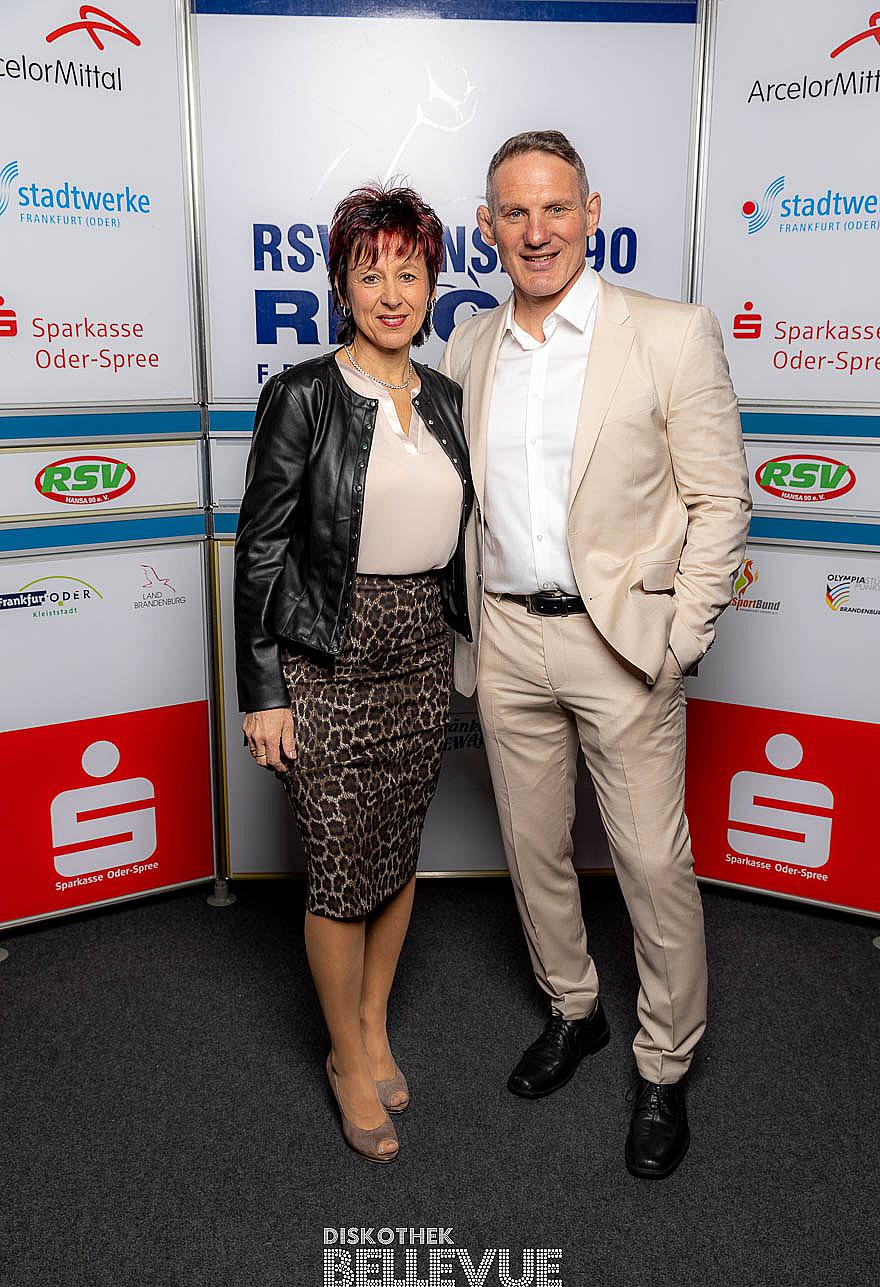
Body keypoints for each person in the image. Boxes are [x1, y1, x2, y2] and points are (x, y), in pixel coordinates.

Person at [441, 130, 751, 1178]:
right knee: (532, 850)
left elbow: (719, 500)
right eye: (514, 213)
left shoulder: (669, 333)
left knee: (652, 864)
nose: (537, 232)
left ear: (591, 212)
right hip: (506, 636)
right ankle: (574, 1010)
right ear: (487, 228)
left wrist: (680, 636)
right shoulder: (468, 346)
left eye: (556, 208)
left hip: (622, 643)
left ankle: (664, 1064)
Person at [234, 184, 472, 1163]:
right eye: (370, 275)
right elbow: (260, 549)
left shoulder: (447, 399)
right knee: (337, 869)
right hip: (327, 653)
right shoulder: (302, 395)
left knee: (395, 852)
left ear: (432, 285)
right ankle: (342, 1053)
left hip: (419, 648)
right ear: (341, 287)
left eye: (409, 274)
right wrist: (262, 692)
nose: (391, 293)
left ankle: (374, 1025)